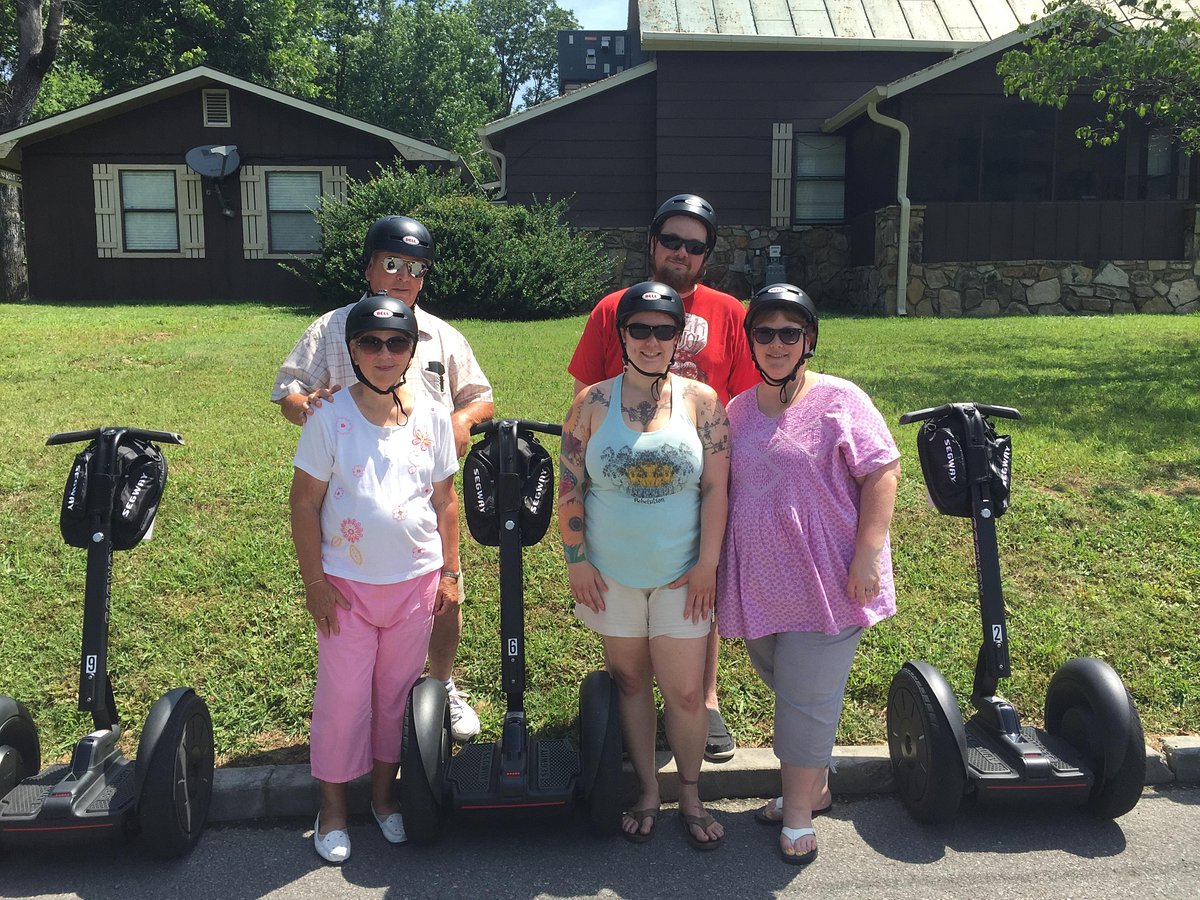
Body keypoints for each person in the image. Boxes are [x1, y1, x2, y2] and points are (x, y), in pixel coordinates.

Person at [273, 215, 494, 742]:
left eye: (416, 267)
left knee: (442, 593)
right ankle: (367, 699)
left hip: (427, 489)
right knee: (357, 606)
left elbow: (481, 398)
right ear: (370, 266)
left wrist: (461, 422)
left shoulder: (441, 335)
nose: (403, 275)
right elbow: (288, 390)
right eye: (391, 262)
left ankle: (441, 686)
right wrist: (310, 406)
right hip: (352, 491)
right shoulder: (333, 328)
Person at [567, 193, 757, 762]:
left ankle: (706, 696)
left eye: (694, 246)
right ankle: (642, 706)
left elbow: (745, 396)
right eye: (671, 240)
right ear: (652, 243)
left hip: (704, 460)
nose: (680, 252)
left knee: (701, 584)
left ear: (707, 256)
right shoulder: (611, 309)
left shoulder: (729, 313)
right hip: (626, 460)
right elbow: (582, 392)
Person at [716, 283, 901, 866]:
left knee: (806, 701)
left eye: (788, 333)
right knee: (786, 682)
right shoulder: (737, 410)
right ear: (751, 342)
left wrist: (868, 553)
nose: (775, 344)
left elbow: (882, 472)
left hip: (828, 581)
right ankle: (814, 782)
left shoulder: (842, 400)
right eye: (764, 333)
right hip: (763, 586)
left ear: (809, 341)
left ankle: (798, 813)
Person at [560, 281, 731, 850]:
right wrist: (577, 561)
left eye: (664, 330)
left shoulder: (703, 403)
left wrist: (708, 564)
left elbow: (716, 491)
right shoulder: (591, 403)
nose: (652, 340)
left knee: (685, 694)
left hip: (684, 576)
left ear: (678, 337)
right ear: (622, 334)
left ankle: (689, 792)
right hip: (612, 577)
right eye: (640, 329)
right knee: (631, 682)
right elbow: (570, 488)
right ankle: (646, 791)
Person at [290, 294, 460, 863]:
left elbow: (445, 502)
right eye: (370, 343)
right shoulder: (329, 418)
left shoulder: (433, 416)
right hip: (347, 589)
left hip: (415, 584)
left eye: (396, 343)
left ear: (411, 350)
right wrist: (315, 582)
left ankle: (385, 800)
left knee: (393, 700)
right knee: (342, 700)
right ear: (353, 350)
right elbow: (304, 505)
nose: (384, 354)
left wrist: (451, 575)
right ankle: (334, 810)